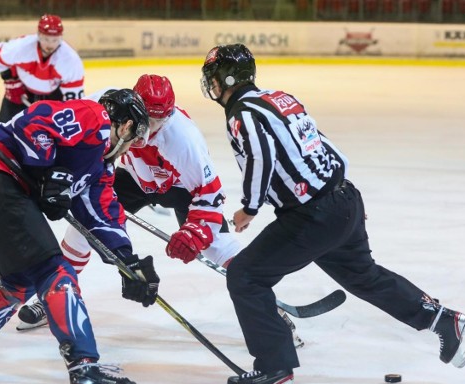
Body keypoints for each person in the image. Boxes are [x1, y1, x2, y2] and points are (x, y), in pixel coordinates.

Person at [199, 43, 465, 384]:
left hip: (312, 215)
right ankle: (447, 323)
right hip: (342, 199)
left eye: (212, 78)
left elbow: (260, 156)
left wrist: (250, 208)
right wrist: (344, 195)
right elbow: (323, 144)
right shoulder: (280, 98)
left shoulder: (241, 112)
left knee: (246, 276)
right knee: (363, 276)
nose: (211, 86)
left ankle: (274, 374)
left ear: (225, 79)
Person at [15, 74, 304, 348]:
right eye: (147, 119)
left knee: (216, 245)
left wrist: (196, 232)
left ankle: (271, 312)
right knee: (84, 227)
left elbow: (210, 196)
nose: (150, 128)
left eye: (159, 121)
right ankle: (55, 295)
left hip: (178, 188)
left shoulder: (183, 139)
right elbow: (74, 131)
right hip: (130, 177)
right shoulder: (111, 103)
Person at [0, 89, 159, 384]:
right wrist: (51, 172)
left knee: (20, 280)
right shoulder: (95, 117)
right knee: (54, 272)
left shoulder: (98, 169)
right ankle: (87, 374)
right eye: (136, 135)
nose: (133, 145)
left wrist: (127, 261)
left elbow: (102, 213)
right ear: (127, 124)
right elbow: (37, 120)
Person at [0, 14, 85, 122]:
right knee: (3, 132)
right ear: (39, 35)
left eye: (54, 40)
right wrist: (11, 82)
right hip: (20, 92)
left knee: (54, 135)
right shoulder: (22, 46)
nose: (50, 45)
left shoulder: (70, 59)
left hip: (53, 98)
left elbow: (74, 100)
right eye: (46, 39)